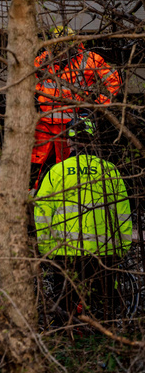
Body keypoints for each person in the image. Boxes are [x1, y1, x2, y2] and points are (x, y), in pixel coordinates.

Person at [34, 117, 133, 324]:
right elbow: (123, 213)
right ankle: (102, 342)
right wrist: (122, 248)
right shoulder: (110, 171)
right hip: (104, 253)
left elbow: (42, 212)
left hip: (65, 251)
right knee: (103, 306)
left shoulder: (57, 172)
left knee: (65, 305)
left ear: (69, 142)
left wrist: (46, 248)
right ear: (93, 140)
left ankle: (67, 343)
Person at [33, 25, 121, 186]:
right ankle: (28, 197)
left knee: (67, 165)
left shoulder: (89, 60)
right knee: (34, 162)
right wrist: (37, 95)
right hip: (43, 123)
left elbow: (113, 82)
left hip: (70, 125)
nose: (58, 54)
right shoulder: (44, 58)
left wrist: (98, 106)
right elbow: (28, 78)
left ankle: (66, 195)